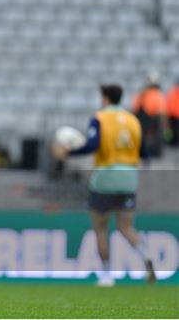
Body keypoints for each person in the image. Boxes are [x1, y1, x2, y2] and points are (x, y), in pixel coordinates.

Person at [53, 84, 156, 287]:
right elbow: (144, 152)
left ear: (105, 98)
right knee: (126, 228)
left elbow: (92, 145)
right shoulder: (133, 120)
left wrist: (68, 152)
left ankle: (107, 275)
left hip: (106, 176)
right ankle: (146, 255)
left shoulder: (100, 118)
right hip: (129, 177)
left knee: (100, 229)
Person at [131, 72, 167, 163]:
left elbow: (135, 108)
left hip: (151, 119)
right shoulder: (153, 94)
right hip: (149, 119)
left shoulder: (146, 93)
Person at [165, 78, 179, 146]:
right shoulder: (173, 92)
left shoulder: (172, 91)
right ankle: (174, 142)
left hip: (173, 114)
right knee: (174, 130)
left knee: (174, 130)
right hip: (174, 114)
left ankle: (174, 142)